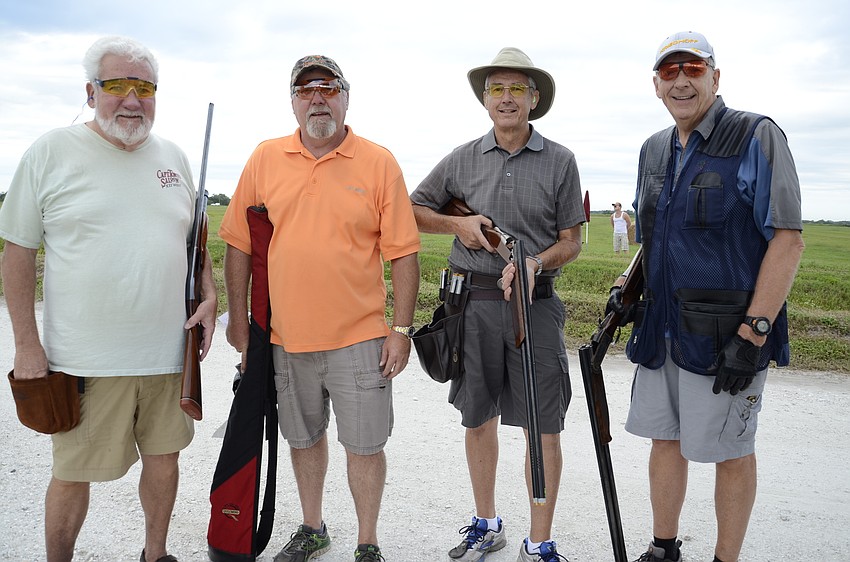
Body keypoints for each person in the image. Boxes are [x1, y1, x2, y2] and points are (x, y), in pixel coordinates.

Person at [0, 36, 218, 562]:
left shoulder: (175, 158)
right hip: (85, 360)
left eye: (143, 87)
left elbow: (195, 243)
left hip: (168, 355)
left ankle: (155, 553)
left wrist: (210, 295)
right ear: (91, 90)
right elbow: (17, 253)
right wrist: (27, 347)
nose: (131, 98)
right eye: (116, 85)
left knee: (165, 461)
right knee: (73, 473)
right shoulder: (50, 152)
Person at [609, 31, 804, 562]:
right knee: (664, 441)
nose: (681, 80)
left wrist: (755, 331)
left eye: (693, 68)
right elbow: (656, 234)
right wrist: (629, 288)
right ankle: (664, 547)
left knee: (731, 452)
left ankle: (725, 558)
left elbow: (787, 237)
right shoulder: (652, 149)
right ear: (656, 85)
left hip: (728, 334)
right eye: (669, 72)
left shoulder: (756, 136)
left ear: (716, 78)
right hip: (662, 329)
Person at [219, 54, 420, 562]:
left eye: (329, 88)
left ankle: (367, 541)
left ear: (346, 97)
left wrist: (400, 328)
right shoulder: (265, 157)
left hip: (360, 337)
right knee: (304, 440)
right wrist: (241, 323)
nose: (317, 98)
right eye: (305, 89)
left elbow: (403, 252)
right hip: (287, 338)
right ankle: (312, 528)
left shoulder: (378, 161)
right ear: (292, 101)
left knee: (365, 447)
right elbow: (239, 244)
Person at [410, 47, 584, 562]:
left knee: (543, 423)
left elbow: (572, 241)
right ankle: (486, 523)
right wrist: (458, 224)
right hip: (473, 306)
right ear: (485, 100)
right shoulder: (462, 158)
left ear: (534, 99)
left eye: (517, 89)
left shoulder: (561, 161)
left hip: (537, 306)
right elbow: (415, 208)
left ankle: (540, 540)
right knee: (477, 417)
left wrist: (535, 263)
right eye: (497, 89)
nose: (506, 98)